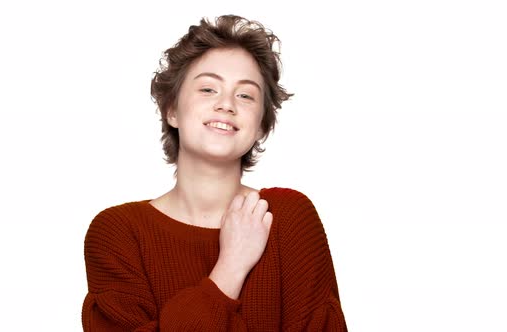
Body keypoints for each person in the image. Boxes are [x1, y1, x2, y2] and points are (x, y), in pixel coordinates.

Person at [82, 14, 347, 331]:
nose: (227, 104)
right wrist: (230, 267)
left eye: (246, 95)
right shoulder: (118, 233)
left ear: (261, 125)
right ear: (172, 110)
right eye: (208, 89)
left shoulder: (289, 217)